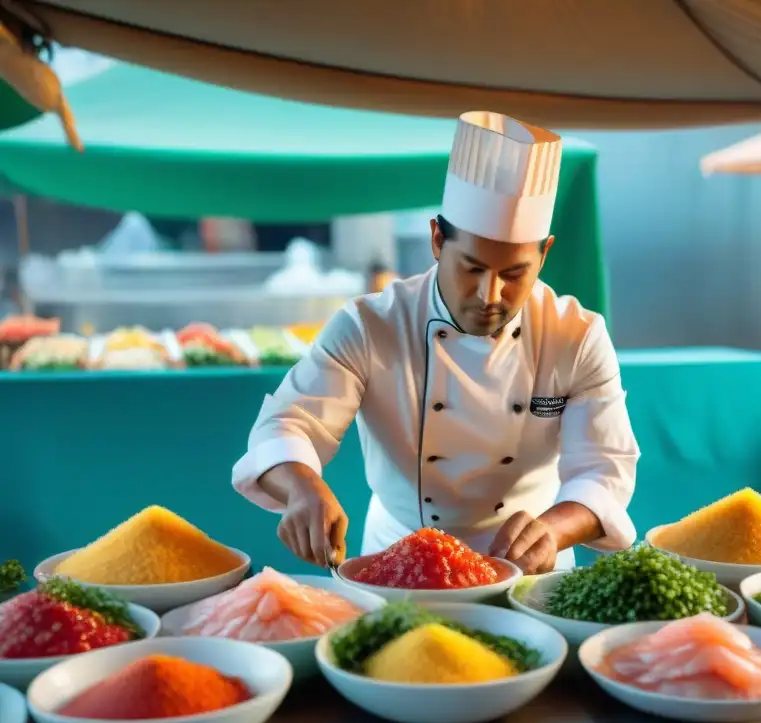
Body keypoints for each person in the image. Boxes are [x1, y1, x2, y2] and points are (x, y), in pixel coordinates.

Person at [232, 111, 640, 575]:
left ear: (544, 254)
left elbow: (605, 470)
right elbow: (287, 425)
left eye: (514, 274)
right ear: (436, 239)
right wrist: (302, 486)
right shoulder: (370, 325)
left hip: (528, 568)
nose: (491, 296)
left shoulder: (577, 335)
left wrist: (555, 531)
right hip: (398, 562)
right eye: (471, 268)